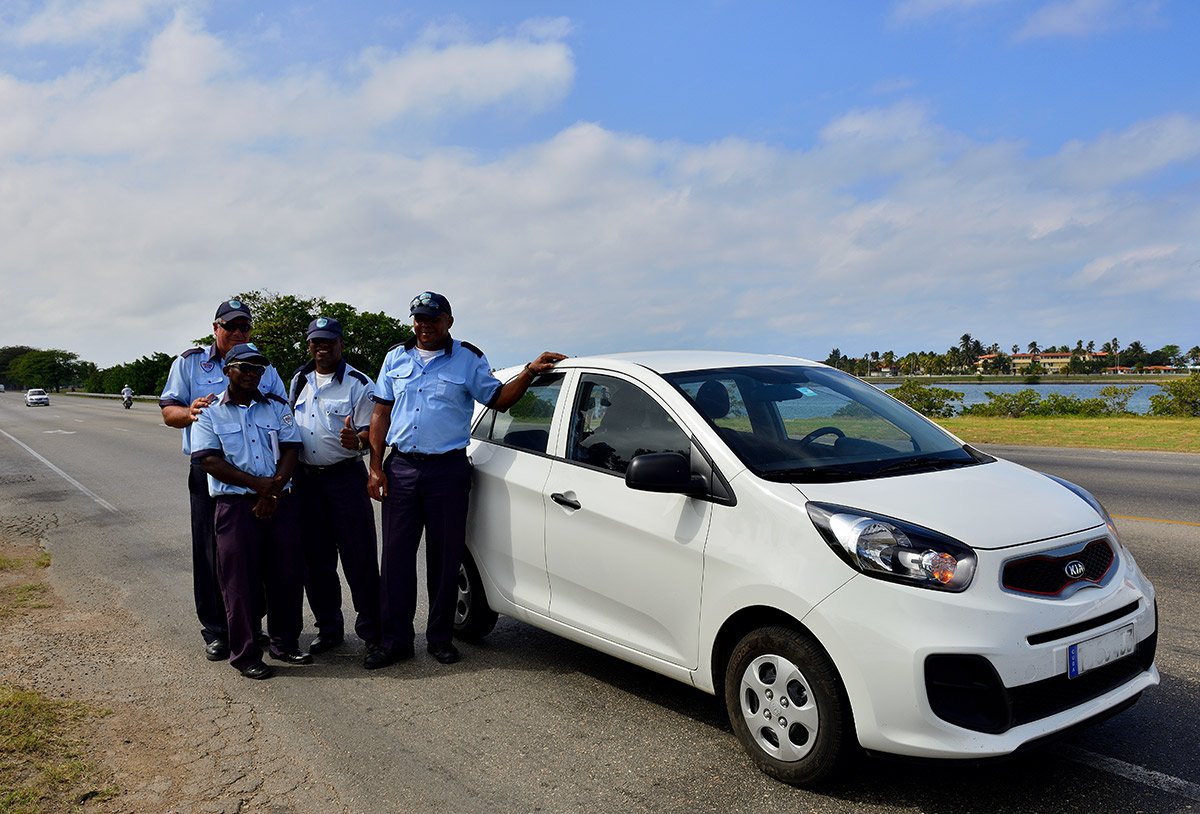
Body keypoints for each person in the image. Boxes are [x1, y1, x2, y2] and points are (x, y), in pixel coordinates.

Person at [366, 291, 566, 668]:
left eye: (433, 319)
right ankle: (395, 641)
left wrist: (528, 371)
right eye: (419, 319)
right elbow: (380, 413)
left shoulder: (467, 359)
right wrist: (376, 466)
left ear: (449, 322)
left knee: (445, 557)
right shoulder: (396, 357)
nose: (425, 326)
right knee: (395, 558)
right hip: (403, 468)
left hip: (447, 470)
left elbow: (499, 399)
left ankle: (441, 637)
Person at [159, 299, 287, 661]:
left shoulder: (263, 364)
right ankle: (217, 630)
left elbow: (279, 408)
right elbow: (169, 411)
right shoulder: (189, 362)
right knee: (211, 553)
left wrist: (270, 484)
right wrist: (189, 412)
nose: (237, 332)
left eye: (244, 326)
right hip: (210, 468)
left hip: (259, 472)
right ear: (215, 327)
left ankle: (250, 625)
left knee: (256, 551)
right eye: (230, 326)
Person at [190, 343, 309, 680]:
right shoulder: (210, 412)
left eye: (257, 369)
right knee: (239, 582)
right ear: (228, 370)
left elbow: (291, 449)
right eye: (244, 368)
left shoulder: (276, 407)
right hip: (235, 507)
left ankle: (285, 643)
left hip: (278, 503)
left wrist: (273, 488)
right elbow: (208, 460)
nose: (251, 375)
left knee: (286, 575)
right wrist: (261, 487)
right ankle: (245, 654)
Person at [287, 317, 381, 659]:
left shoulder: (359, 384)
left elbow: (375, 436)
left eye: (328, 341)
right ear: (309, 345)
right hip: (306, 482)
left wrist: (356, 439)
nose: (321, 347)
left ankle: (373, 632)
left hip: (345, 479)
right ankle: (329, 629)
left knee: (360, 558)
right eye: (315, 342)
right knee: (316, 562)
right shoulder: (298, 380)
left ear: (341, 344)